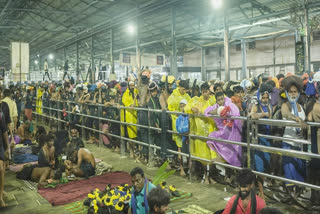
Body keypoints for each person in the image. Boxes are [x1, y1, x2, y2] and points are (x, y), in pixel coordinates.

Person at [184, 82, 217, 183]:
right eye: (203, 92)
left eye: (206, 91)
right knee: (203, 157)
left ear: (209, 91)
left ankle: (212, 176)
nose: (204, 94)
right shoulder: (197, 101)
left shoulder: (213, 101)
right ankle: (206, 176)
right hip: (200, 133)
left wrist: (203, 114)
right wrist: (191, 109)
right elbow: (186, 108)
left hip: (211, 132)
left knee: (212, 155)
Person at [280, 77, 307, 199]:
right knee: (289, 169)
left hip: (300, 143)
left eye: (295, 91)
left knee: (299, 168)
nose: (293, 94)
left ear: (298, 92)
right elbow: (285, 114)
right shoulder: (285, 105)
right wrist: (297, 119)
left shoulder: (301, 107)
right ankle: (290, 194)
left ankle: (297, 193)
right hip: (288, 142)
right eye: (290, 91)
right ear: (286, 93)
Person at [205, 92, 243, 167]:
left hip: (233, 131)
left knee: (235, 149)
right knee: (211, 136)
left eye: (222, 99)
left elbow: (236, 113)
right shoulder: (215, 106)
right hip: (223, 131)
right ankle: (221, 157)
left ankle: (236, 166)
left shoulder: (230, 105)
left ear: (224, 98)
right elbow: (206, 111)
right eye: (218, 100)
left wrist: (228, 113)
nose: (221, 101)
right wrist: (213, 112)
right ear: (216, 101)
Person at [167, 80, 191, 150]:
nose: (184, 91)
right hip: (176, 119)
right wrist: (174, 112)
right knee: (178, 138)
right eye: (183, 89)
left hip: (185, 120)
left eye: (185, 90)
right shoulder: (173, 96)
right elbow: (170, 107)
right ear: (179, 87)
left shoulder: (187, 96)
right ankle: (180, 155)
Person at [121, 79, 139, 158]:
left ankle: (135, 151)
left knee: (135, 137)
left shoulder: (136, 91)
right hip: (129, 117)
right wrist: (135, 98)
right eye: (131, 86)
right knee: (131, 137)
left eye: (133, 85)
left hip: (136, 117)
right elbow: (131, 106)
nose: (132, 87)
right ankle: (132, 152)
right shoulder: (125, 94)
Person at [0, 103, 9, 207]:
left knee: (1, 169)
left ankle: (0, 197)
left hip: (0, 145)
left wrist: (8, 147)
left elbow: (4, 131)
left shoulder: (0, 113)